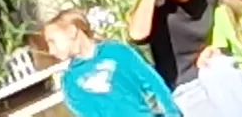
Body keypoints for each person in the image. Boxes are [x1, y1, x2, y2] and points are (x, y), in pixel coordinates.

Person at [35, 13, 187, 117]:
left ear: (72, 31)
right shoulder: (71, 81)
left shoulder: (117, 52)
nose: (50, 50)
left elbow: (153, 82)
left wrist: (172, 112)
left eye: (52, 41)